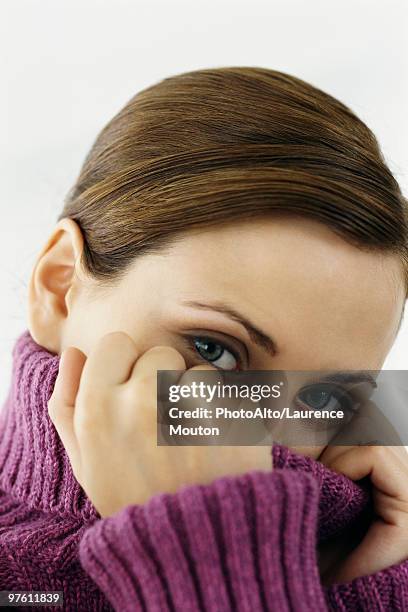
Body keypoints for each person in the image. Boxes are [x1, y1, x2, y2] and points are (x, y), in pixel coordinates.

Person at [0, 66, 407, 611]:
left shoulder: (380, 553)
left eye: (324, 399)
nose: (264, 438)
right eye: (215, 352)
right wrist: (213, 558)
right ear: (59, 285)